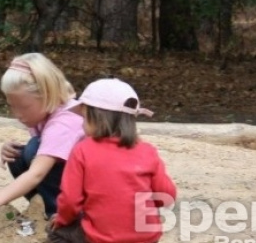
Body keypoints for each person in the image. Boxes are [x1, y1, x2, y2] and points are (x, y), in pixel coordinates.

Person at [47, 78, 176, 243]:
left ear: (97, 118)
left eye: (85, 118)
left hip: (101, 238)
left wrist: (62, 220)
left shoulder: (83, 150)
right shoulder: (148, 151)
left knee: (56, 232)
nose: (82, 125)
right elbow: (167, 195)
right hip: (147, 238)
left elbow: (70, 201)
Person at [0, 53, 84, 224]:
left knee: (34, 148)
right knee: (20, 154)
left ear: (47, 95)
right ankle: (42, 206)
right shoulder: (45, 113)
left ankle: (60, 213)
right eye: (12, 106)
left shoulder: (64, 122)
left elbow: (37, 173)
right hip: (73, 176)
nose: (18, 115)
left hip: (89, 190)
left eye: (24, 107)